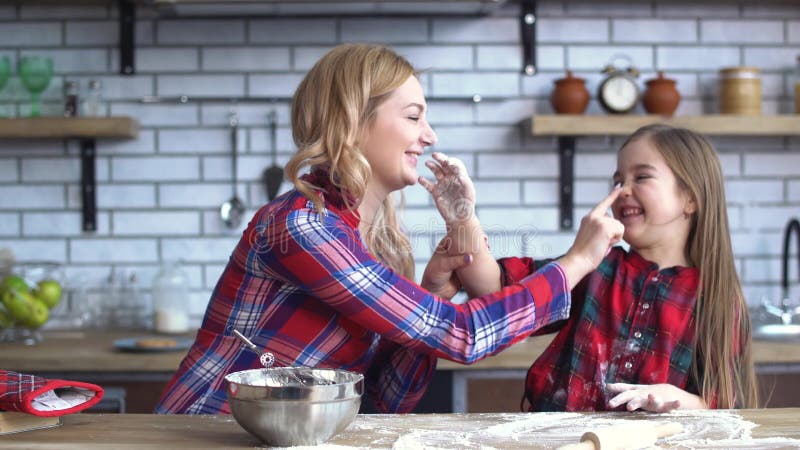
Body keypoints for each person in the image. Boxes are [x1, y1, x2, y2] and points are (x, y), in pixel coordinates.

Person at [154, 43, 617, 415]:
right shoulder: (302, 226)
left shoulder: (371, 239)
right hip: (205, 432)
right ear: (353, 122)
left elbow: (391, 399)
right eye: (414, 116)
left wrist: (434, 288)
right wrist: (578, 260)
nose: (430, 135)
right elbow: (463, 336)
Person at [430, 124, 757, 412]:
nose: (622, 191)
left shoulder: (716, 299)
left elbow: (723, 404)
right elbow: (492, 289)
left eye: (641, 177)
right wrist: (462, 215)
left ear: (690, 198)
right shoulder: (594, 266)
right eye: (617, 180)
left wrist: (676, 400)